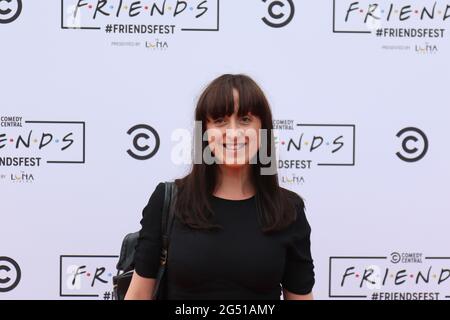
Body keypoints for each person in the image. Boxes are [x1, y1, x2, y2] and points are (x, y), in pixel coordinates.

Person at [125, 74, 314, 300]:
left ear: (263, 129)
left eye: (245, 119)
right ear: (204, 131)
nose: (233, 133)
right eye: (220, 121)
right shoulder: (168, 200)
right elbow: (138, 296)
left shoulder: (288, 209)